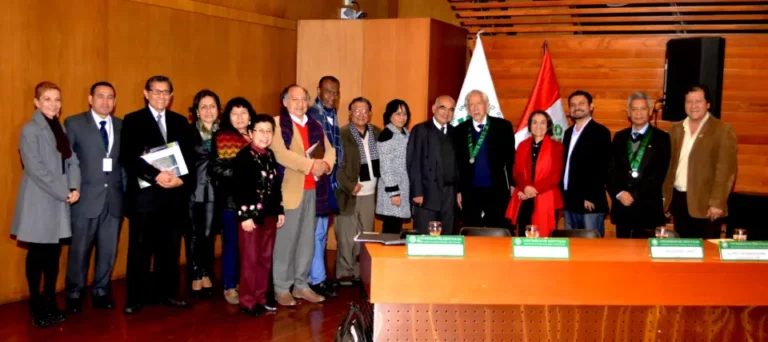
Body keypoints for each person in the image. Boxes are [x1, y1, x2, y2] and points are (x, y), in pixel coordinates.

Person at [121, 75, 191, 314]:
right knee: (140, 249)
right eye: (156, 91)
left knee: (170, 249)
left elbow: (190, 158)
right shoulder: (132, 120)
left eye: (166, 92)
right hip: (145, 198)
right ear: (146, 93)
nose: (161, 96)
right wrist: (156, 175)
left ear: (171, 96)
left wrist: (180, 180)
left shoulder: (180, 122)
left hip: (174, 197)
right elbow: (129, 158)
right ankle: (135, 298)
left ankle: (168, 293)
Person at [12, 81, 80, 327]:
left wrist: (74, 187)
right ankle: (36, 305)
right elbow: (36, 170)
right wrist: (64, 191)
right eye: (48, 99)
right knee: (38, 254)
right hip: (40, 200)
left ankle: (50, 301)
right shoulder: (30, 130)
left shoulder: (59, 128)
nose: (54, 104)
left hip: (59, 200)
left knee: (53, 256)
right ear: (37, 102)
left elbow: (73, 162)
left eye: (57, 99)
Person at [271, 84, 335, 306]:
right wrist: (310, 165)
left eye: (303, 99)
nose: (300, 104)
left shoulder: (315, 124)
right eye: (295, 99)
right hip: (290, 190)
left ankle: (300, 284)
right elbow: (281, 154)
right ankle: (281, 287)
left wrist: (325, 164)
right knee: (286, 241)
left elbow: (331, 149)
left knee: (307, 240)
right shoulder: (277, 124)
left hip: (314, 190)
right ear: (285, 102)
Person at [64, 81, 122, 313]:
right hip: (84, 198)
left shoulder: (120, 125)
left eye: (110, 97)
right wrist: (70, 189)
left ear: (115, 102)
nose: (105, 101)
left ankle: (101, 291)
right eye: (100, 96)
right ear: (90, 99)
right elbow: (67, 161)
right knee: (79, 250)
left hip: (114, 198)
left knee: (108, 250)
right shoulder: (74, 123)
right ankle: (74, 293)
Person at [663, 84, 737, 239]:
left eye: (698, 101)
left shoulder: (722, 130)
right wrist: (666, 198)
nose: (693, 106)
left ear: (708, 104)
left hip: (707, 205)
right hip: (679, 201)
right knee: (682, 253)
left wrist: (717, 203)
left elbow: (726, 170)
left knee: (706, 255)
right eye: (689, 102)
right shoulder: (675, 129)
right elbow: (669, 167)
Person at [233, 114, 285, 317]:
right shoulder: (243, 157)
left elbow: (276, 186)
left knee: (265, 259)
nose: (265, 135)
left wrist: (280, 209)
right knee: (250, 260)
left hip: (270, 216)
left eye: (269, 131)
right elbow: (239, 189)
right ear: (250, 133)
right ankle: (247, 302)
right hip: (251, 218)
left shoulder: (270, 155)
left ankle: (261, 297)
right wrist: (245, 216)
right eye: (260, 131)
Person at [210, 97, 255, 305]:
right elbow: (216, 168)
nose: (239, 118)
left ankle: (247, 283)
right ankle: (229, 286)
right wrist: (243, 173)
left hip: (256, 201)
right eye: (234, 113)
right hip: (231, 201)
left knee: (251, 246)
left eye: (243, 113)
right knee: (232, 245)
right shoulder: (222, 136)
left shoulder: (258, 135)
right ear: (228, 117)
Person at [608, 92, 671, 238]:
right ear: (629, 113)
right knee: (622, 255)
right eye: (634, 109)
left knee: (646, 256)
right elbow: (610, 169)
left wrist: (634, 194)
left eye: (642, 109)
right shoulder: (619, 137)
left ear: (649, 111)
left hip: (647, 208)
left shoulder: (662, 138)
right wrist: (619, 193)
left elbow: (658, 173)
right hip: (622, 208)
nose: (638, 113)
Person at [454, 90, 516, 230]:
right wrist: (458, 190)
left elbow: (511, 157)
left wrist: (513, 183)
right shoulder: (459, 130)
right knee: (471, 231)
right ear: (468, 109)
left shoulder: (503, 127)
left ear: (487, 105)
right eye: (471, 105)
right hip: (470, 192)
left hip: (496, 190)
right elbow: (457, 164)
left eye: (479, 103)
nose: (475, 108)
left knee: (497, 230)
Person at [335, 97, 381, 284]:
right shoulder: (342, 134)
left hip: (371, 193)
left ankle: (361, 271)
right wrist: (348, 184)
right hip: (349, 193)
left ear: (370, 113)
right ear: (350, 113)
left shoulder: (377, 132)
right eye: (357, 111)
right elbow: (336, 165)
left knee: (366, 235)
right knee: (347, 236)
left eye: (365, 111)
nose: (361, 114)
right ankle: (345, 272)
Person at [306, 76, 341, 297]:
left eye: (336, 93)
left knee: (320, 233)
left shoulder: (331, 114)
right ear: (318, 90)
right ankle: (315, 279)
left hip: (328, 181)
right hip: (315, 181)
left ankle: (318, 276)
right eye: (328, 91)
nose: (332, 96)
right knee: (316, 232)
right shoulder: (313, 114)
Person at [505, 111, 564, 237]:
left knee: (544, 238)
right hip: (524, 198)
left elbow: (555, 176)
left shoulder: (557, 147)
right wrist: (525, 188)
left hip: (546, 197)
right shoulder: (522, 145)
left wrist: (533, 190)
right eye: (535, 122)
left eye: (543, 122)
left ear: (548, 125)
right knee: (524, 236)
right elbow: (517, 172)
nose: (538, 126)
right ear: (530, 125)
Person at [561, 90, 612, 237]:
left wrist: (591, 196)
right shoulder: (568, 133)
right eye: (573, 105)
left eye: (581, 103)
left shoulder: (600, 132)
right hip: (570, 200)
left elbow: (603, 167)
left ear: (591, 106)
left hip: (589, 203)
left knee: (591, 247)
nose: (577, 107)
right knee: (571, 246)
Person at [407, 96, 460, 235]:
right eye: (442, 108)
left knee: (447, 235)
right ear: (433, 109)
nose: (446, 113)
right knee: (425, 236)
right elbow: (413, 162)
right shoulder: (420, 130)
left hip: (449, 194)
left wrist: (459, 191)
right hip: (427, 193)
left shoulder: (456, 133)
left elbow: (458, 165)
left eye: (450, 110)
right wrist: (417, 192)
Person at [185, 90, 220, 297]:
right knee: (193, 235)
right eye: (203, 106)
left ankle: (206, 271)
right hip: (192, 190)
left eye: (212, 106)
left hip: (215, 192)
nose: (208, 111)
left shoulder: (225, 133)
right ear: (196, 111)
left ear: (218, 110)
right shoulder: (187, 133)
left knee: (208, 235)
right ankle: (195, 274)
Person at [376, 99, 412, 234]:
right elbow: (385, 167)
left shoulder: (404, 132)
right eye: (398, 114)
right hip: (391, 190)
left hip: (403, 187)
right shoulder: (387, 134)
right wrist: (394, 192)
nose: (402, 117)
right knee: (390, 228)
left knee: (397, 228)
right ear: (389, 115)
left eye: (405, 114)